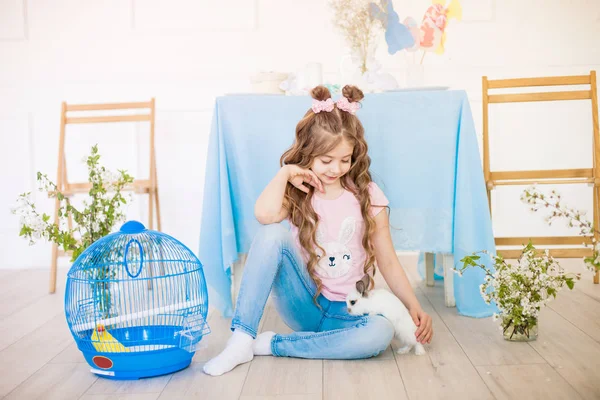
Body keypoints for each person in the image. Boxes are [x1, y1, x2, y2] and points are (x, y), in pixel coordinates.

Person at [203, 85, 433, 376]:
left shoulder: (367, 194)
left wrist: (413, 306)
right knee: (272, 234)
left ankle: (275, 345)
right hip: (304, 304)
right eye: (326, 160)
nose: (336, 168)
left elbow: (387, 260)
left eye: (345, 160)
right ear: (308, 153)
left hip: (350, 311)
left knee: (380, 334)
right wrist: (285, 173)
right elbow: (264, 215)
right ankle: (241, 340)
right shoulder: (298, 190)